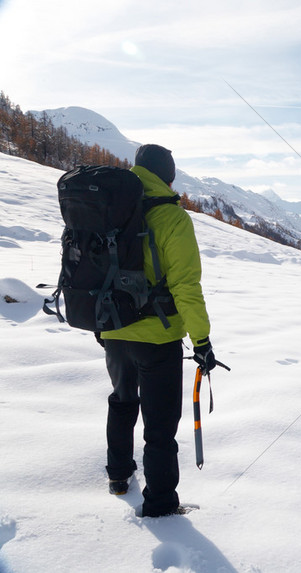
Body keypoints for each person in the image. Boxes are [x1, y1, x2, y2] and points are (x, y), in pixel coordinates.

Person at [98, 144, 217, 517]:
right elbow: (185, 286)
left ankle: (118, 475)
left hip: (113, 328)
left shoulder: (109, 206)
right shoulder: (172, 218)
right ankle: (162, 504)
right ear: (169, 175)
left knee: (121, 399)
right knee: (160, 424)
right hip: (157, 336)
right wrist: (201, 340)